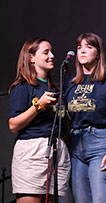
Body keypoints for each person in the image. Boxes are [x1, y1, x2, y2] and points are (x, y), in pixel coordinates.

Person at [65, 33, 106, 202]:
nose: (82, 51)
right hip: (76, 144)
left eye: (88, 47)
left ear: (99, 53)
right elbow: (64, 116)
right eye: (79, 47)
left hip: (102, 142)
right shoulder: (70, 82)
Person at [8, 37, 71, 202]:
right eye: (46, 52)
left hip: (57, 152)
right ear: (31, 58)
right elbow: (13, 125)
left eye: (51, 51)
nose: (52, 56)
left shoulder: (54, 89)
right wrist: (38, 105)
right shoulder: (22, 87)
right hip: (33, 151)